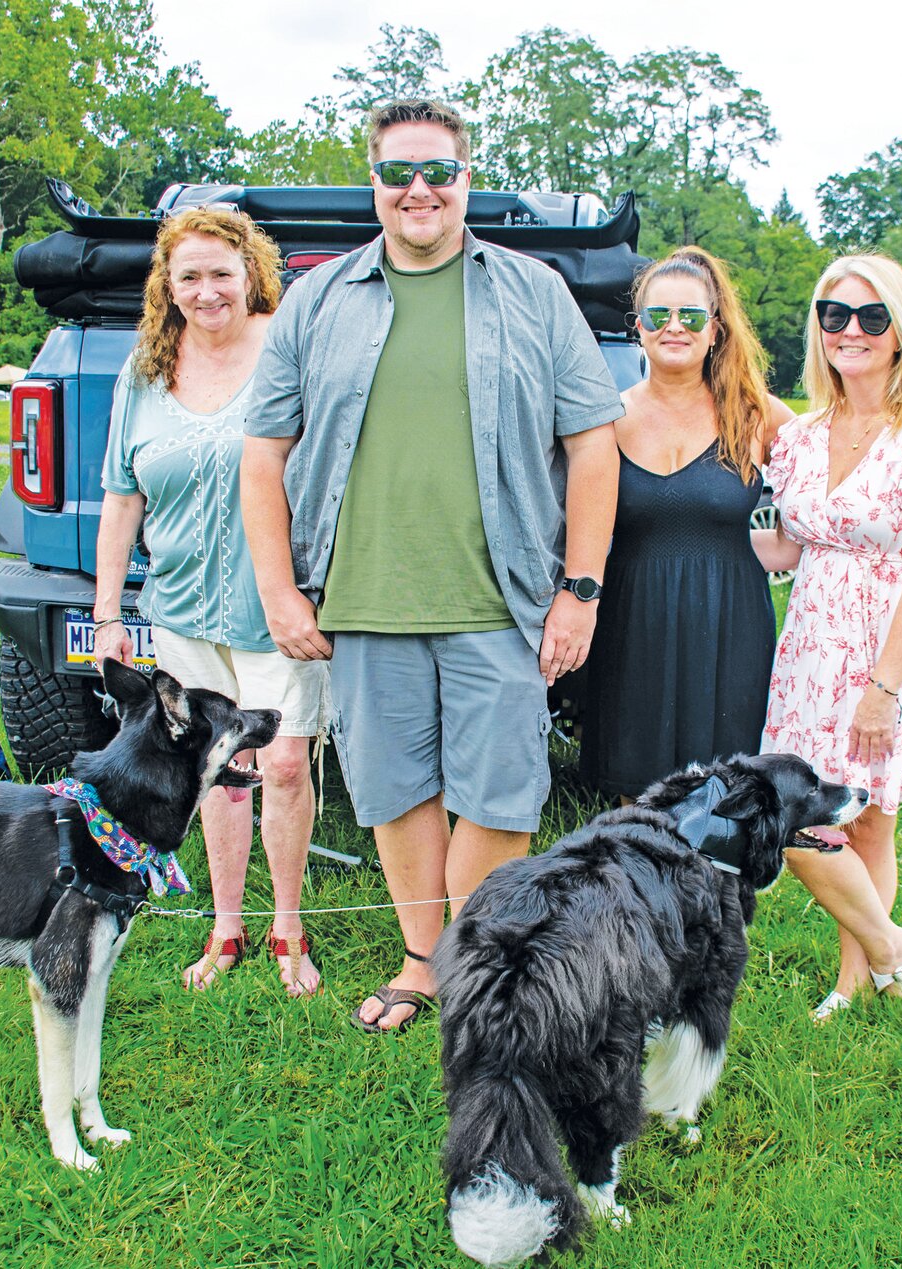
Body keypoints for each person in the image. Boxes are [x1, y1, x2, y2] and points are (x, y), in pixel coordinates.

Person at [241, 99, 623, 1033]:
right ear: (373, 182)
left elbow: (595, 449)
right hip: (365, 603)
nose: (420, 189)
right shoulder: (316, 300)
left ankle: (480, 960)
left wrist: (579, 589)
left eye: (439, 172)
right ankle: (422, 964)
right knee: (395, 791)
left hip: (503, 598)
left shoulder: (535, 293)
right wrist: (279, 590)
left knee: (501, 792)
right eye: (400, 172)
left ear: (465, 181)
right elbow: (262, 455)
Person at [752, 253, 902, 1021]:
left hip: (893, 650)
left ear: (901, 331)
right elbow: (786, 551)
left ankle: (863, 976)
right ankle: (891, 956)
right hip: (811, 645)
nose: (850, 330)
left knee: (854, 819)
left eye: (871, 316)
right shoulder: (806, 432)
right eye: (834, 315)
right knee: (811, 813)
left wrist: (882, 690)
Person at [90, 206, 330, 998]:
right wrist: (108, 612)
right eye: (187, 275)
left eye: (221, 273)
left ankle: (287, 928)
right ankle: (225, 927)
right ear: (168, 284)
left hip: (279, 604)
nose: (206, 290)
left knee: (286, 764)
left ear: (251, 274)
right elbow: (121, 499)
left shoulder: (287, 352)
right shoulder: (144, 372)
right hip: (182, 607)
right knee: (219, 769)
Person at [579, 246, 793, 801]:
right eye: (658, 316)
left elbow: (828, 494)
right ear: (638, 329)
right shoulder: (605, 417)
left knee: (732, 793)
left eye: (692, 316)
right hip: (631, 622)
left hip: (731, 620)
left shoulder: (757, 415)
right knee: (638, 797)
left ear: (716, 330)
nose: (674, 327)